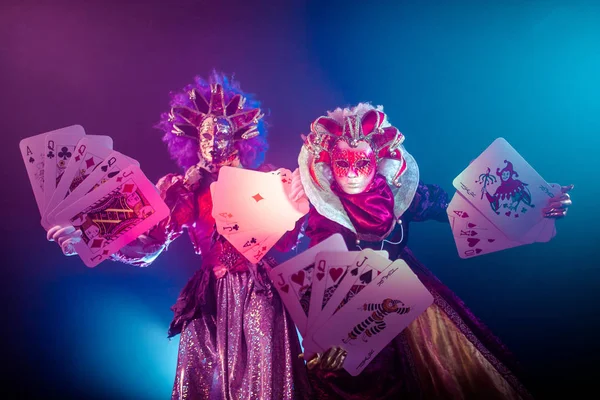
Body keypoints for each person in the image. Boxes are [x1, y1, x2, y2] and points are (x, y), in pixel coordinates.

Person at [47, 72, 311, 400]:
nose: (214, 141)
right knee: (195, 378)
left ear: (238, 139)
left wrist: (297, 209)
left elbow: (284, 241)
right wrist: (87, 237)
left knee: (262, 378)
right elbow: (149, 237)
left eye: (223, 133)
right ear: (194, 140)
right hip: (209, 295)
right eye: (207, 134)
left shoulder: (263, 180)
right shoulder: (183, 187)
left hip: (258, 291)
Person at [297, 103, 573, 399]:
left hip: (408, 301)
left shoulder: (403, 195)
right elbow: (316, 280)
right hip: (350, 316)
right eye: (342, 163)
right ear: (328, 163)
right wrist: (319, 338)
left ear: (378, 161)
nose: (352, 173)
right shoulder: (322, 217)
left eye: (361, 163)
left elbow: (460, 212)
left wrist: (537, 208)